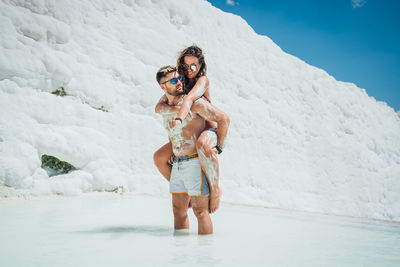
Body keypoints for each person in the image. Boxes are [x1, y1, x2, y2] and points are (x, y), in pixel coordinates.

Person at [155, 65, 229, 235]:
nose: (180, 82)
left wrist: (219, 146)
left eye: (180, 78)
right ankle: (180, 255)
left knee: (200, 211)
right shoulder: (165, 107)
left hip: (195, 162)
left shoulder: (194, 103)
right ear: (163, 86)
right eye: (174, 80)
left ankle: (205, 257)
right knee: (178, 211)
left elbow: (223, 118)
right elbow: (159, 109)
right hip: (178, 163)